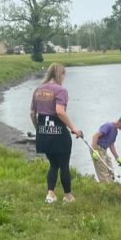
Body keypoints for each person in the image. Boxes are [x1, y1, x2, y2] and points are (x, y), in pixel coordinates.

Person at [29, 63, 83, 203]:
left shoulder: (38, 90)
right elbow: (59, 111)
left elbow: (32, 113)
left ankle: (50, 194)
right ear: (61, 74)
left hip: (43, 132)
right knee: (64, 165)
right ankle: (67, 195)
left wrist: (39, 129)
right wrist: (74, 128)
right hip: (59, 133)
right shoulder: (61, 90)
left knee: (53, 164)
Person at [91, 116, 121, 183]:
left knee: (111, 171)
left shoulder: (115, 132)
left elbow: (111, 145)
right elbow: (95, 136)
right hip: (97, 148)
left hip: (104, 150)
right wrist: (94, 151)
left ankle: (111, 187)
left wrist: (118, 158)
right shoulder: (108, 126)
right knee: (103, 171)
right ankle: (106, 189)